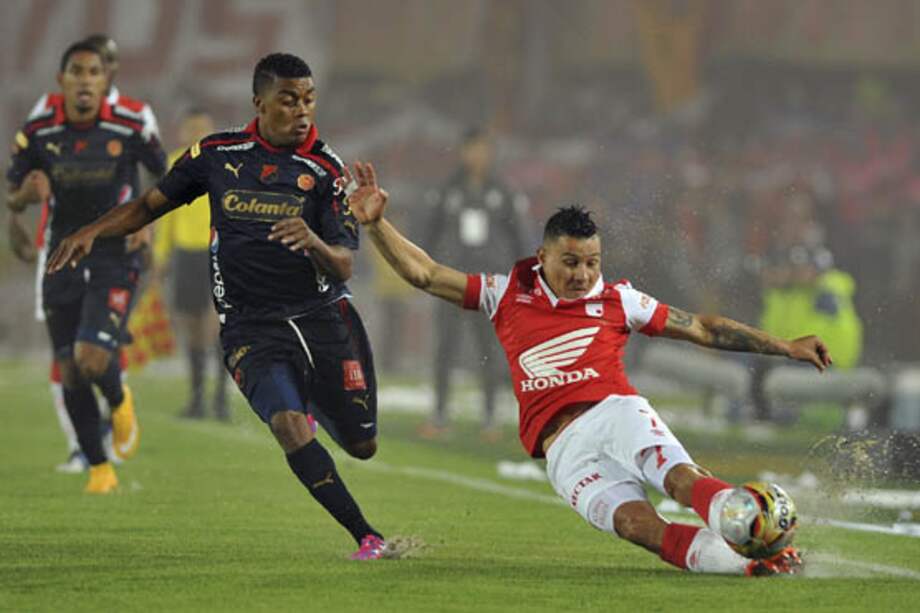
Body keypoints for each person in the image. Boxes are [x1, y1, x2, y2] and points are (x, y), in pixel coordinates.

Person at [342, 162, 835, 575]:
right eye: (571, 262)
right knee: (636, 527)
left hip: (614, 411)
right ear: (543, 257)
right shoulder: (506, 292)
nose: (582, 275)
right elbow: (426, 273)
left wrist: (786, 347)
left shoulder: (620, 299)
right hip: (563, 452)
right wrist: (375, 225)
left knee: (680, 481)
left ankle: (759, 526)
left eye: (592, 263)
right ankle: (753, 565)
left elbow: (703, 329)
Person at [48, 53, 391, 560]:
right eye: (289, 100)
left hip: (321, 319)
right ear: (260, 102)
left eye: (309, 99)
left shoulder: (325, 171)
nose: (302, 111)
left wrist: (314, 242)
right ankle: (368, 535)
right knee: (287, 426)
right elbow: (147, 206)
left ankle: (311, 398)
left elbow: (343, 265)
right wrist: (91, 232)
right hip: (249, 327)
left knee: (363, 446)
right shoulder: (215, 153)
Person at [7, 41, 167, 492]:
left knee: (91, 356)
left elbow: (166, 176)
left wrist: (148, 222)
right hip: (60, 256)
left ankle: (119, 400)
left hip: (114, 251)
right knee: (70, 368)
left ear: (105, 80)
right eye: (76, 71)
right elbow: (12, 190)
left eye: (93, 72)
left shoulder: (132, 122)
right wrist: (24, 196)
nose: (84, 80)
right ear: (61, 81)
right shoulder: (39, 129)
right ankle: (99, 468)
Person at [421, 126, 529, 440]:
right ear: (463, 152)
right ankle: (440, 415)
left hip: (490, 284)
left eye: (483, 149)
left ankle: (490, 418)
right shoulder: (446, 190)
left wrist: (524, 280)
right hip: (452, 281)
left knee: (489, 350)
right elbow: (429, 234)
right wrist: (426, 273)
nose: (478, 156)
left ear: (490, 153)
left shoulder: (504, 191)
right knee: (445, 349)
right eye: (472, 149)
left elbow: (519, 238)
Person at [153, 108, 228, 420]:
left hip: (216, 252)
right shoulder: (173, 164)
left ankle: (221, 398)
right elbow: (165, 215)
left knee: (218, 327)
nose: (196, 133)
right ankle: (197, 398)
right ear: (182, 132)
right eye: (191, 128)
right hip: (185, 256)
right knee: (192, 327)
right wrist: (160, 258)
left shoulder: (223, 166)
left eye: (203, 128)